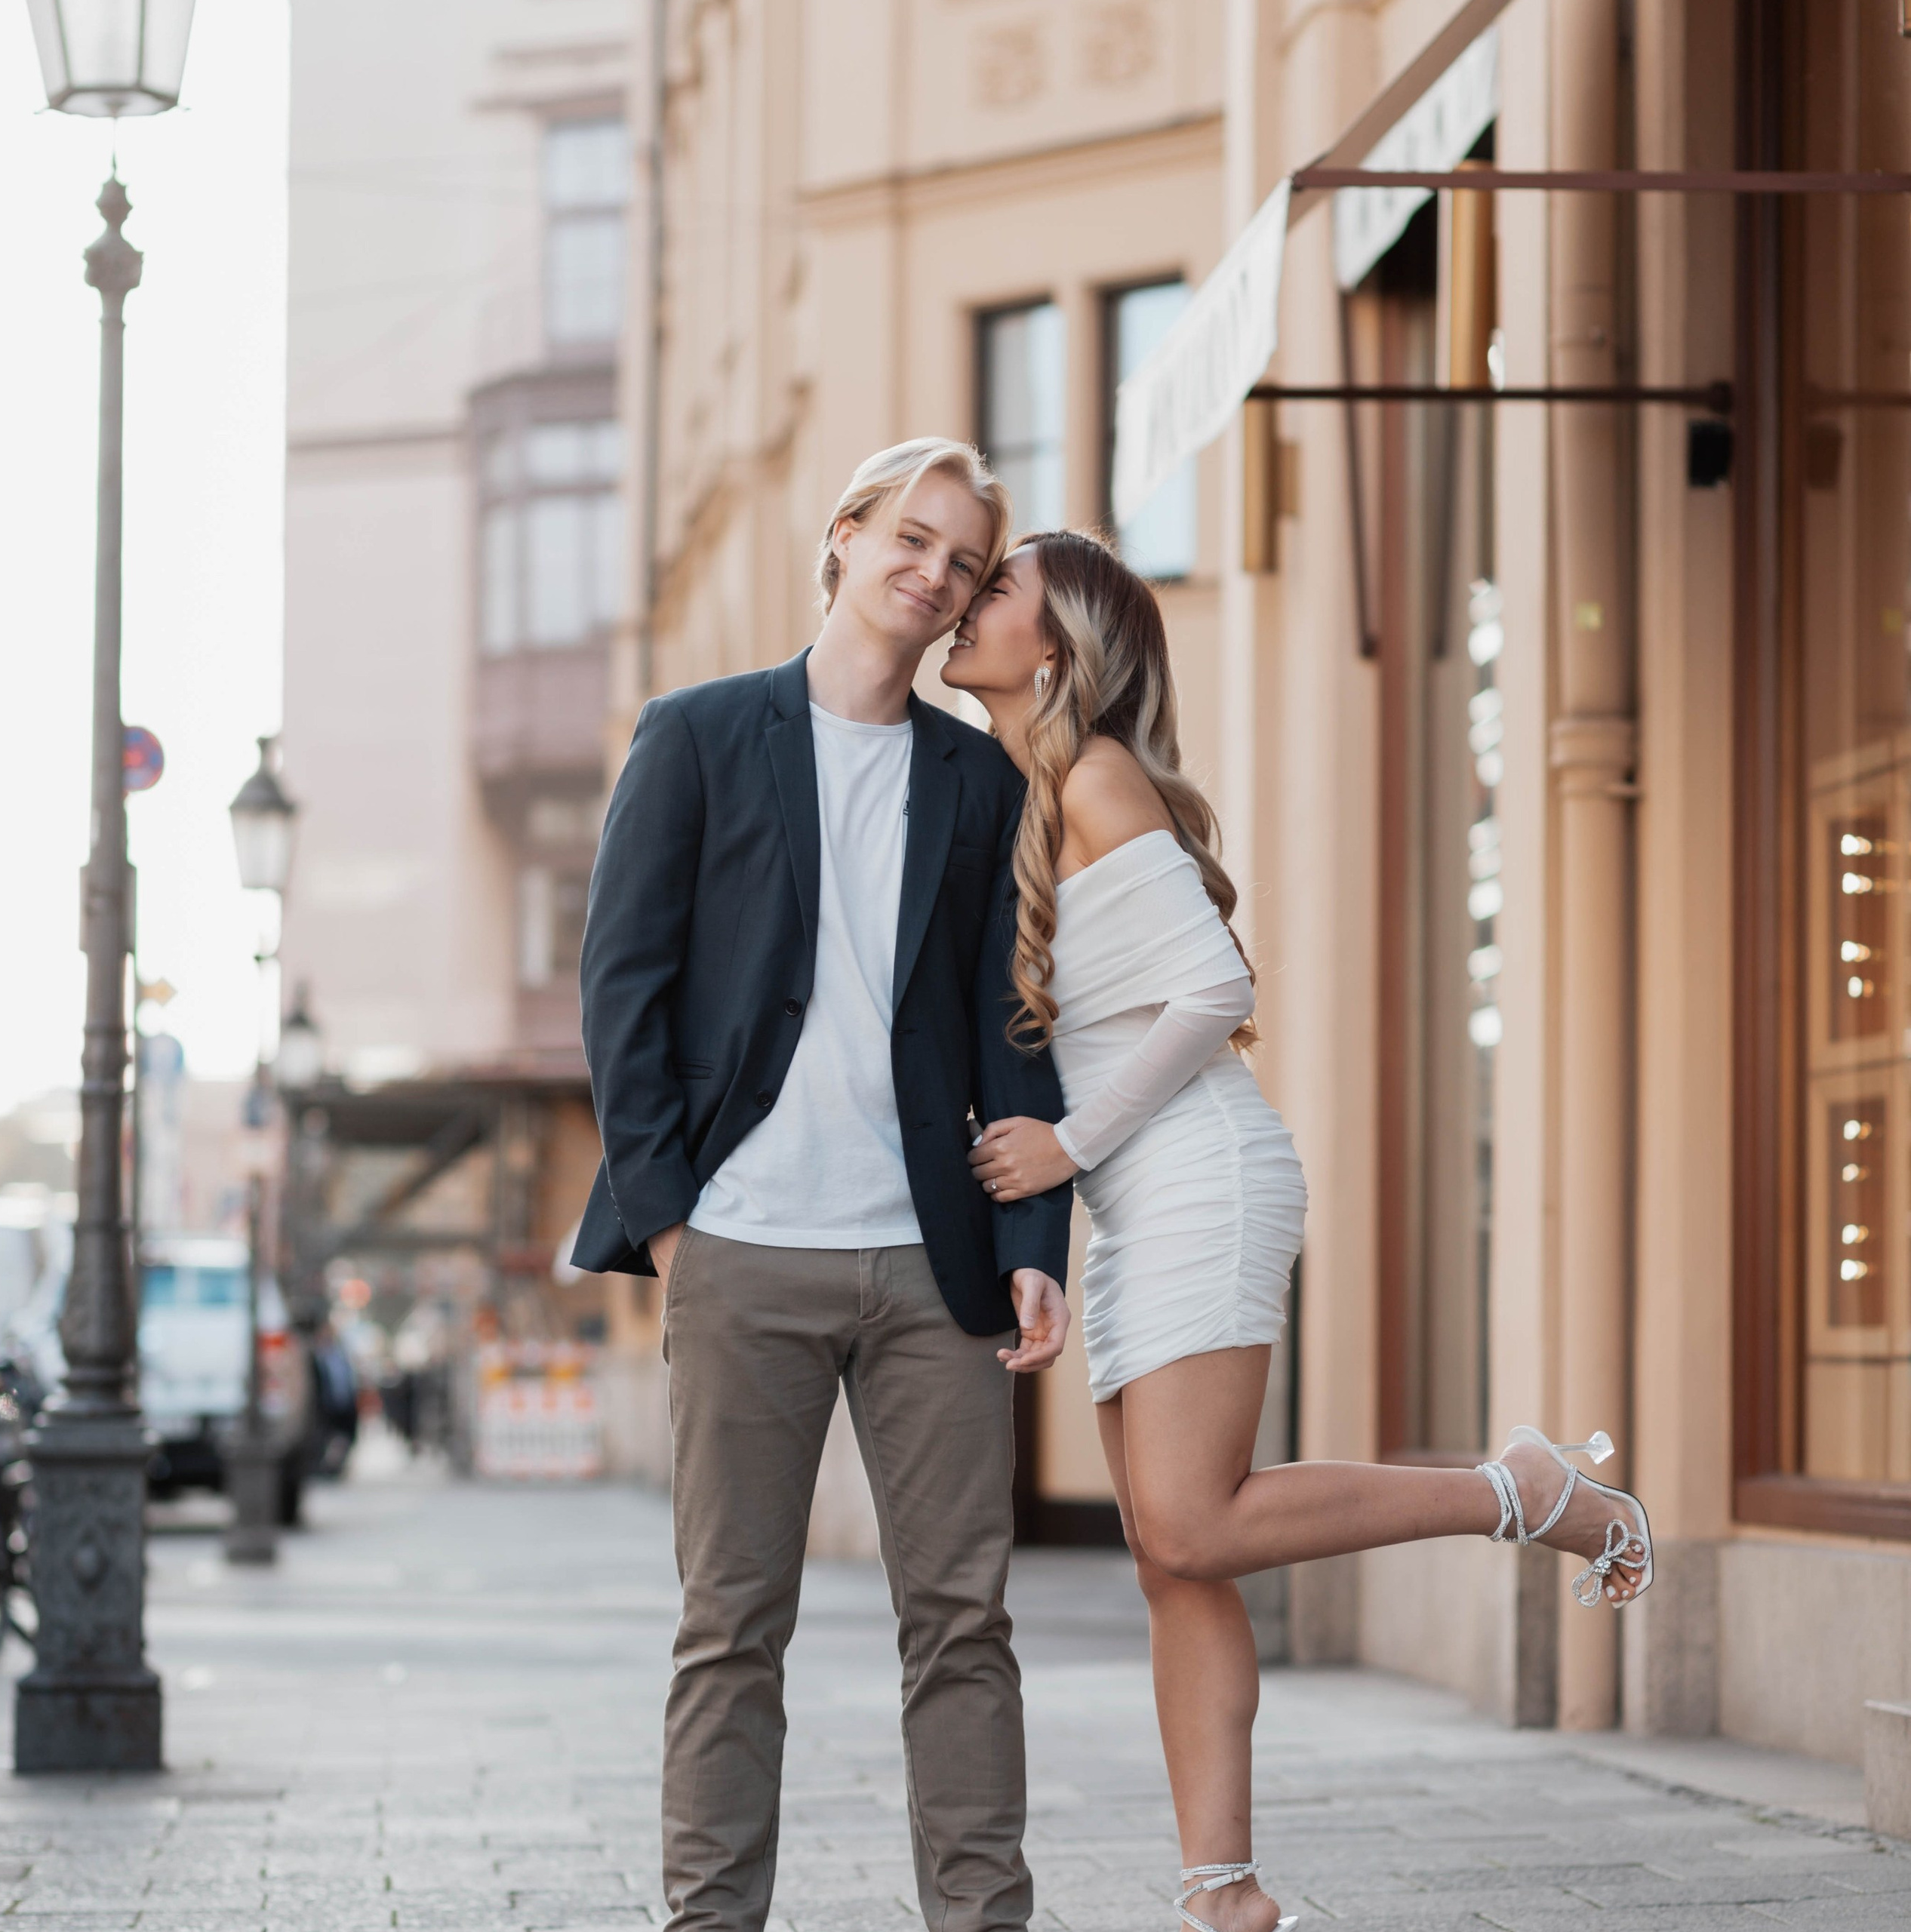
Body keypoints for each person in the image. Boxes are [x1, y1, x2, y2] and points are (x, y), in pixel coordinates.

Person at [944, 530, 1654, 1932]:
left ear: (1061, 640)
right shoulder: (1036, 795)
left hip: (1197, 1170)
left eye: (996, 587)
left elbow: (1216, 987)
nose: (963, 604)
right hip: (1140, 1197)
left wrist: (1071, 1144)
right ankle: (1226, 1891)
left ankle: (1518, 1487)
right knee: (1172, 1551)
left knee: (1196, 1522)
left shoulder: (1093, 776)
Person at [571, 438, 1076, 1932]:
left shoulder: (976, 780)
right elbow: (625, 986)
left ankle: (982, 1919)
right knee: (731, 1627)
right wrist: (672, 1214)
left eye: (962, 563)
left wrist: (1033, 1234)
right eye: (909, 540)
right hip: (738, 1244)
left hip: (932, 1260)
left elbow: (1010, 1018)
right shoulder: (698, 735)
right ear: (846, 538)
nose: (931, 575)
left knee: (963, 1623)